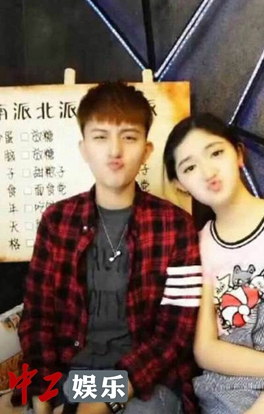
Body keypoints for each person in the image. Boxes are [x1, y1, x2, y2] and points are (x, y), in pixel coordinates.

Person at [16, 82, 201, 414]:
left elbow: (174, 335)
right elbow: (37, 318)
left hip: (145, 383)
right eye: (101, 137)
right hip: (68, 377)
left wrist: (105, 396)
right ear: (84, 148)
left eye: (129, 137)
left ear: (146, 150)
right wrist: (42, 398)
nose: (115, 150)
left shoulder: (176, 226)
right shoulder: (57, 220)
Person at [163, 114, 264, 414]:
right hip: (228, 395)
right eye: (190, 167)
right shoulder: (194, 250)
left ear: (238, 154)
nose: (207, 171)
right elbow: (206, 350)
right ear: (179, 184)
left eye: (216, 153)